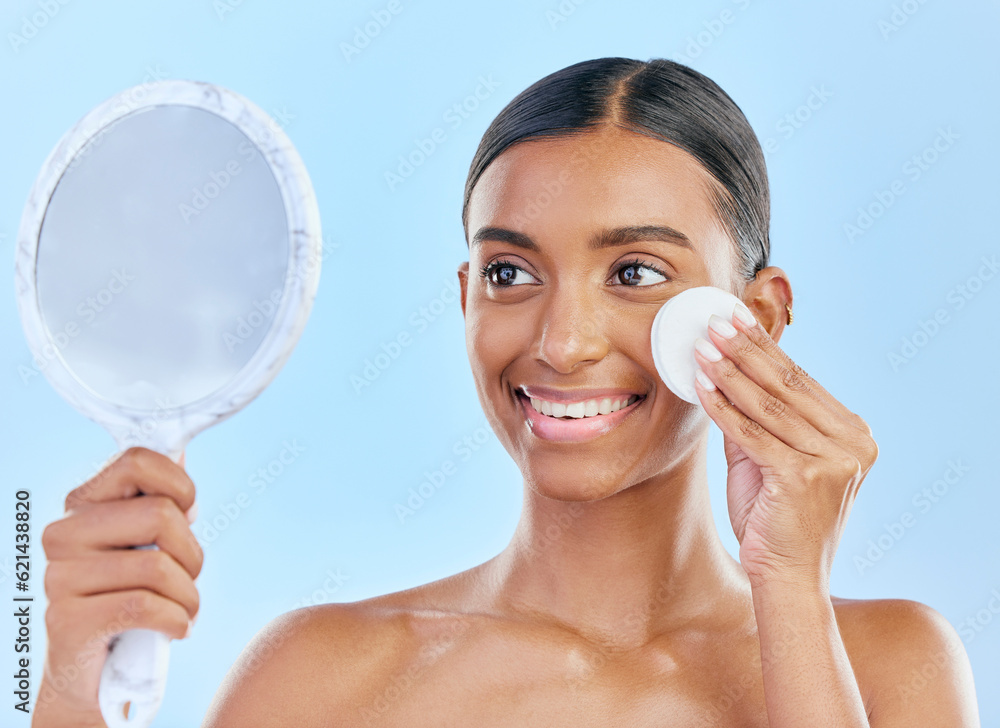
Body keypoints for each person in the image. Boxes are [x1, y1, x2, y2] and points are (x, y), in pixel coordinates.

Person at [33, 57, 980, 727]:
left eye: (637, 272)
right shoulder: (323, 681)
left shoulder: (890, 670)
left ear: (760, 317)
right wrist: (71, 688)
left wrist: (788, 587)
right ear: (464, 299)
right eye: (511, 275)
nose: (562, 344)